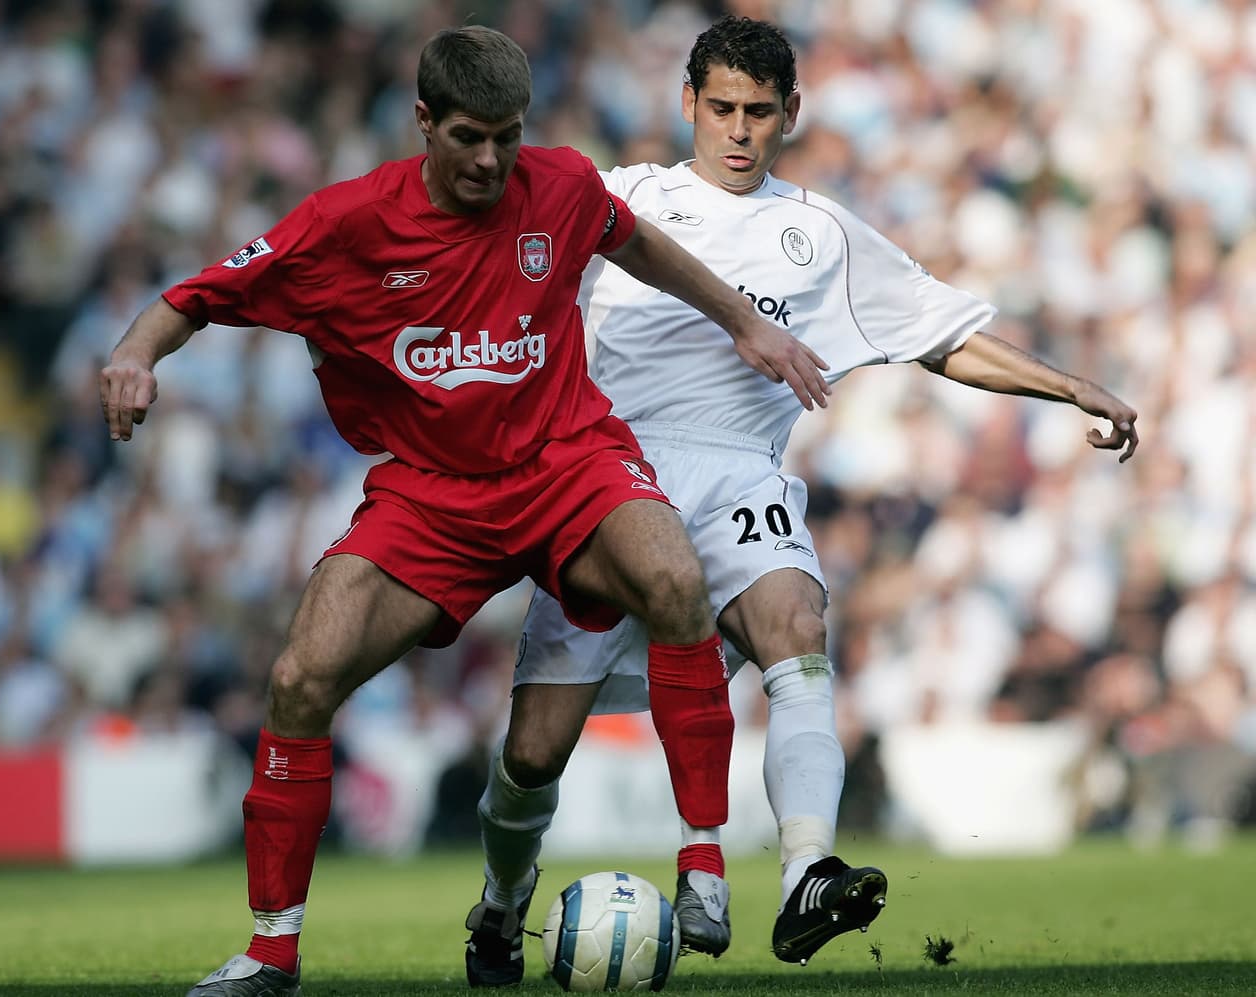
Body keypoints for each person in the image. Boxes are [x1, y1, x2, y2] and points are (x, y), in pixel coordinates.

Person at [98, 26, 832, 997]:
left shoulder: (560, 187)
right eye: (468, 138)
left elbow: (641, 243)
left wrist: (742, 322)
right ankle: (271, 949)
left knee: (671, 573)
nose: (490, 159)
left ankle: (702, 859)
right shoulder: (344, 223)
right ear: (421, 124)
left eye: (506, 137)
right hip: (434, 495)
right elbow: (196, 295)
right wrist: (135, 355)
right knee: (301, 674)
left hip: (569, 462)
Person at [471, 12, 1140, 980]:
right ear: (688, 105)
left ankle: (802, 875)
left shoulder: (817, 233)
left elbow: (937, 333)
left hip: (740, 466)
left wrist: (1070, 384)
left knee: (796, 622)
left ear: (791, 114)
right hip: (608, 471)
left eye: (759, 113)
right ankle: (498, 905)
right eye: (722, 110)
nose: (739, 132)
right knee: (533, 750)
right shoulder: (619, 200)